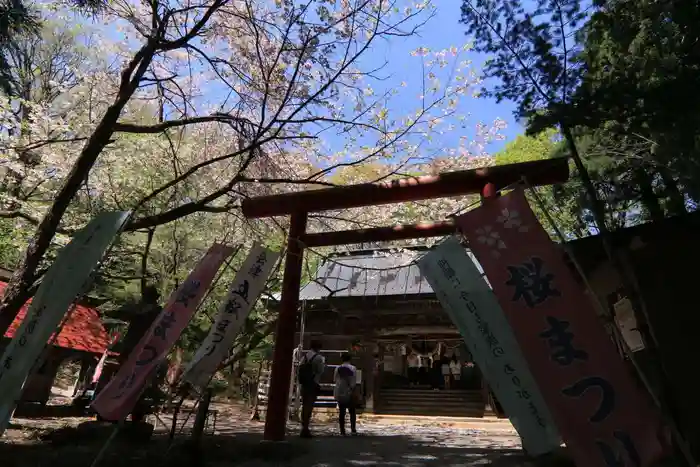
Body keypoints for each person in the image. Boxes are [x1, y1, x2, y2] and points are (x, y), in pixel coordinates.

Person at [299, 340, 325, 438]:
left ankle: (303, 427)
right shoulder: (318, 358)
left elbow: (300, 369)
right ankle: (306, 428)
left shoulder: (304, 357)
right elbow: (320, 371)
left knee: (304, 405)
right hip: (313, 383)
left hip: (304, 383)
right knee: (309, 406)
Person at [334, 353, 358, 436]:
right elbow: (354, 381)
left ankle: (342, 430)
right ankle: (353, 429)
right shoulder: (353, 368)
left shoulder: (338, 368)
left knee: (342, 412)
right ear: (350, 359)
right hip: (350, 391)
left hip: (340, 391)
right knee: (352, 411)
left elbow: (335, 379)